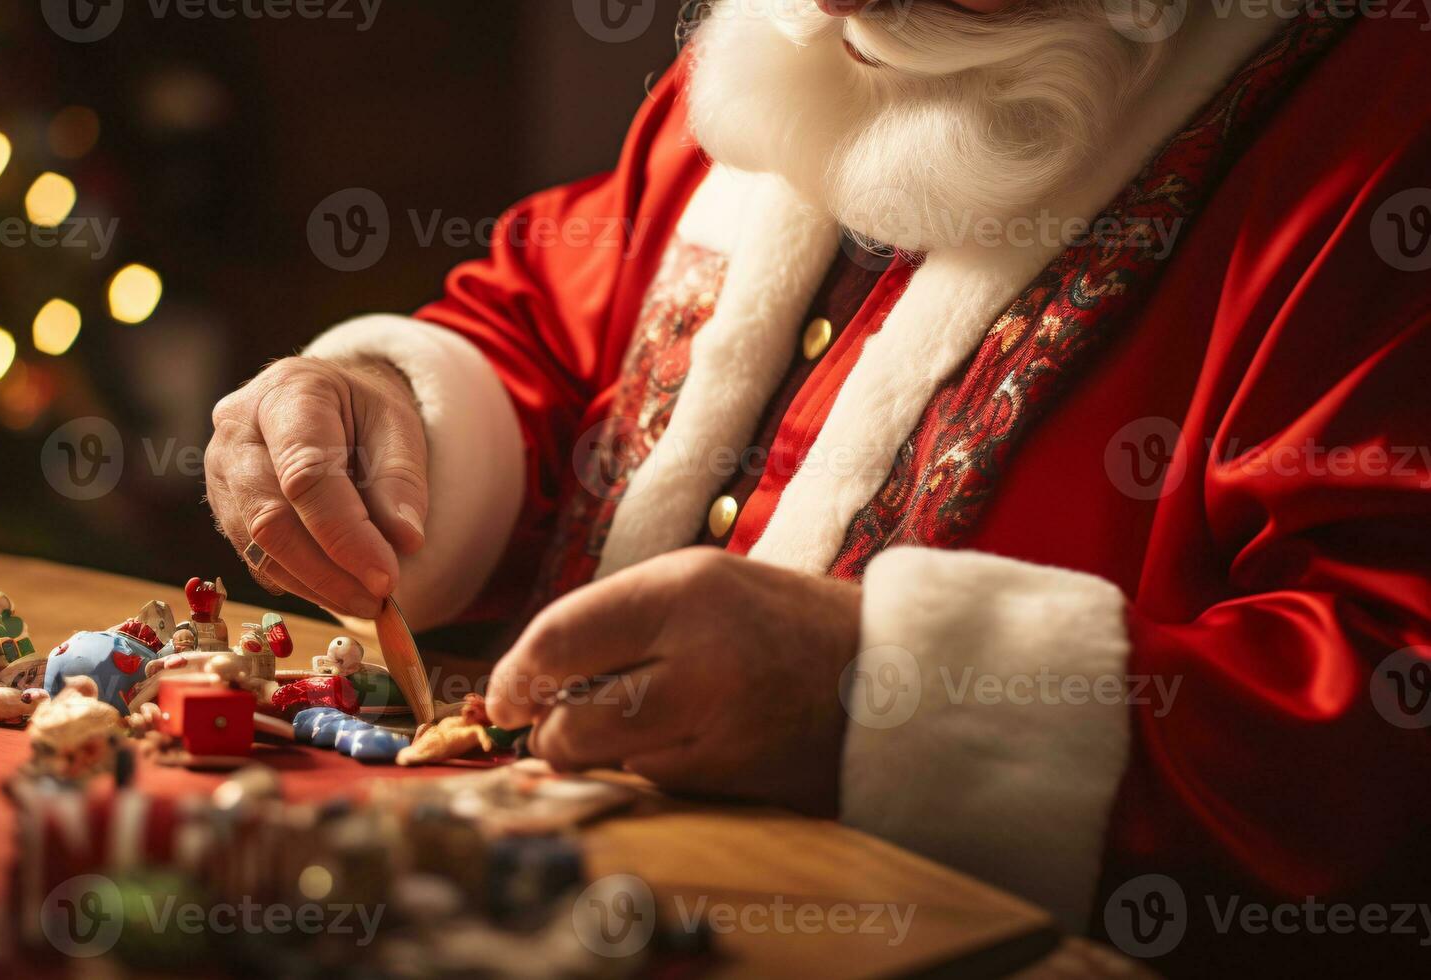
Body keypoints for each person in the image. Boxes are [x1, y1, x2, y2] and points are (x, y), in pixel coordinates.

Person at [205, 0, 1431, 968]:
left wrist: (881, 694)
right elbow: (558, 339)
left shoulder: (1376, 123)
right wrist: (381, 413)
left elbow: (1385, 713)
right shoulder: (793, 41)